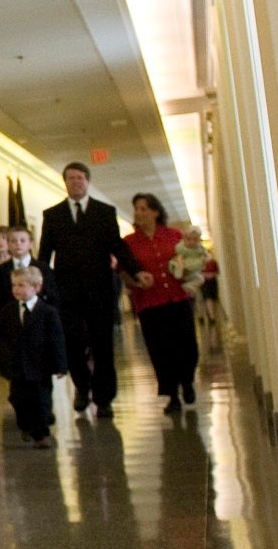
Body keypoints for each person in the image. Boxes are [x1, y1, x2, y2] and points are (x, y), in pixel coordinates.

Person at [37, 162, 149, 417]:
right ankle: (82, 386)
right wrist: (40, 283)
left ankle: (104, 397)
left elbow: (118, 247)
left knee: (102, 345)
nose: (76, 182)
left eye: (80, 177)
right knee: (73, 345)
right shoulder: (52, 215)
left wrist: (136, 270)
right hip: (67, 292)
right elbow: (45, 253)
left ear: (88, 181)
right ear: (65, 182)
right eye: (71, 178)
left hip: (100, 289)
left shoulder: (104, 212)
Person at [123, 193, 200, 413]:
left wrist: (187, 269)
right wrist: (136, 279)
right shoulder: (129, 243)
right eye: (136, 209)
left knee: (187, 345)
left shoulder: (174, 235)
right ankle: (172, 394)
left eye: (144, 208)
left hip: (178, 297)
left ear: (156, 212)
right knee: (160, 349)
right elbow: (124, 273)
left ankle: (187, 381)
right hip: (149, 303)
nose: (139, 212)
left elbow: (190, 260)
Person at [0, 266, 69, 447]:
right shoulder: (8, 311)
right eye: (14, 285)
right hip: (17, 366)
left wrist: (61, 365)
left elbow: (57, 339)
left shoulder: (48, 312)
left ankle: (41, 435)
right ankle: (26, 425)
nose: (16, 289)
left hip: (40, 365)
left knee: (41, 400)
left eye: (21, 285)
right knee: (18, 399)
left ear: (36, 287)